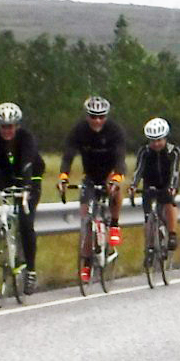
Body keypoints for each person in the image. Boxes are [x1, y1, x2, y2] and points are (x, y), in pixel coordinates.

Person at [0, 102, 45, 294]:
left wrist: (26, 187)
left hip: (30, 175)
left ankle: (30, 270)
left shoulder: (26, 138)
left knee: (25, 221)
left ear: (17, 125)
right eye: (3, 127)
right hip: (6, 173)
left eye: (10, 126)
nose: (7, 131)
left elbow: (27, 164)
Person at [59, 95, 128, 282]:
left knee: (114, 188)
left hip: (109, 172)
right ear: (87, 116)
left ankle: (114, 224)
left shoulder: (114, 130)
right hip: (90, 176)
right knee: (86, 220)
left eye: (101, 117)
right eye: (93, 116)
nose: (97, 121)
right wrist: (63, 176)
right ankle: (87, 263)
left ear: (106, 117)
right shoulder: (79, 131)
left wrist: (116, 177)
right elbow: (68, 155)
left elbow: (121, 157)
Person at [129, 117, 180, 253]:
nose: (156, 144)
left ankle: (172, 234)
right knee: (148, 217)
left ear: (165, 138)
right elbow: (139, 170)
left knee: (168, 202)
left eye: (159, 140)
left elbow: (175, 171)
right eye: (153, 140)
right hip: (150, 182)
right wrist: (133, 186)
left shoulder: (173, 152)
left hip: (168, 180)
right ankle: (150, 247)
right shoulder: (144, 152)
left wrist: (172, 187)